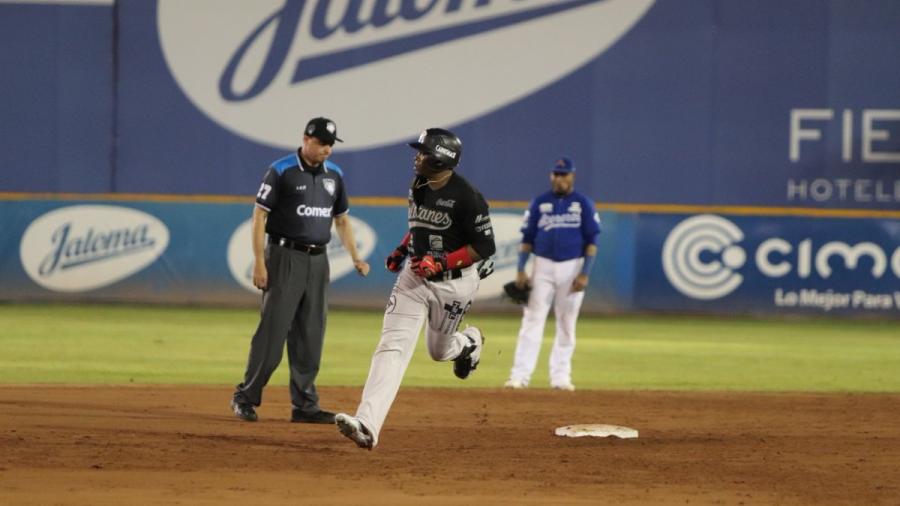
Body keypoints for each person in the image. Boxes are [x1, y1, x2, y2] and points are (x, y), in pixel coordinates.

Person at [334, 128, 496, 450]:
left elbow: (484, 247)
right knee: (391, 346)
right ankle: (367, 424)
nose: (417, 157)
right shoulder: (419, 184)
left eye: (423, 152)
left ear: (441, 159)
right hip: (415, 277)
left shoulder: (468, 197)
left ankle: (469, 343)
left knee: (439, 351)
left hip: (454, 284)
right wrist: (402, 248)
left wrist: (442, 263)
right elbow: (420, 227)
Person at [230, 117, 370, 424]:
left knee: (311, 334)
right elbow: (259, 216)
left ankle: (305, 405)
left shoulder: (335, 175)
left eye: (331, 144)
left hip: (318, 261)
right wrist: (259, 261)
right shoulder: (281, 170)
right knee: (273, 332)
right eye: (321, 143)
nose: (327, 149)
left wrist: (356, 257)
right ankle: (246, 396)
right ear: (306, 139)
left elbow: (342, 220)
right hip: (284, 256)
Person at [504, 157, 600, 391]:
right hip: (543, 266)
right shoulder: (539, 203)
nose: (559, 178)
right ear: (551, 176)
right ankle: (519, 376)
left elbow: (592, 241)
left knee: (566, 323)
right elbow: (527, 239)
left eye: (564, 174)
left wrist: (585, 273)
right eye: (556, 174)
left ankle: (561, 377)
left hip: (572, 266)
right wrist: (520, 269)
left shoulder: (583, 204)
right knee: (532, 320)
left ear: (572, 176)